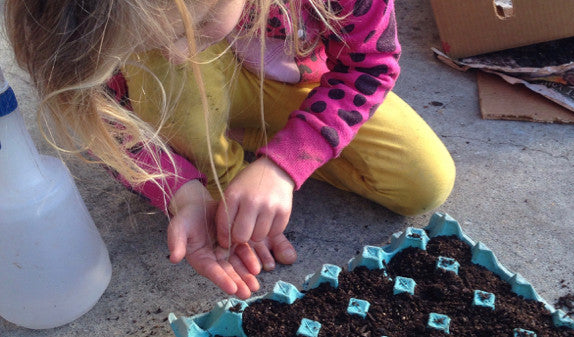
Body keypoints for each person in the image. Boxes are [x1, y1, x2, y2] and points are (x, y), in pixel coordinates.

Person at [5, 0, 455, 299]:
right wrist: (182, 191)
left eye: (197, 25)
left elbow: (370, 65)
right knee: (172, 76)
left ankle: (249, 141)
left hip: (298, 82)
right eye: (148, 45)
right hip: (192, 95)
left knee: (423, 183)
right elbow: (103, 119)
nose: (178, 52)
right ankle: (216, 173)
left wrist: (285, 164)